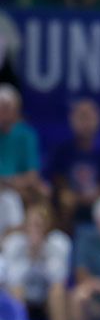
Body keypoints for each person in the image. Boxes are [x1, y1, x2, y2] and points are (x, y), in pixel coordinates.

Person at [3, 205, 71, 320]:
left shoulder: (59, 243)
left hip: (47, 298)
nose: (34, 229)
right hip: (24, 295)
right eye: (30, 224)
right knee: (15, 291)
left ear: (47, 226)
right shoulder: (13, 243)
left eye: (39, 225)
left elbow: (58, 277)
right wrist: (29, 255)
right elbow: (13, 279)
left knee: (57, 291)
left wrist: (40, 252)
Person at [47, 100, 100, 229]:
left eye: (89, 117)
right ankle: (66, 235)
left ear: (98, 119)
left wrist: (96, 194)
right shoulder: (64, 150)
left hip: (99, 197)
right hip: (72, 198)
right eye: (81, 117)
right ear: (72, 120)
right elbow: (58, 179)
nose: (85, 123)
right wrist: (72, 194)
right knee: (65, 200)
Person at [0, 86, 46, 230]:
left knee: (11, 199)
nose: (3, 113)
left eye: (7, 108)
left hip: (17, 190)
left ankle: (14, 236)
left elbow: (32, 176)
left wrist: (7, 183)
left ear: (16, 110)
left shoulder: (27, 135)